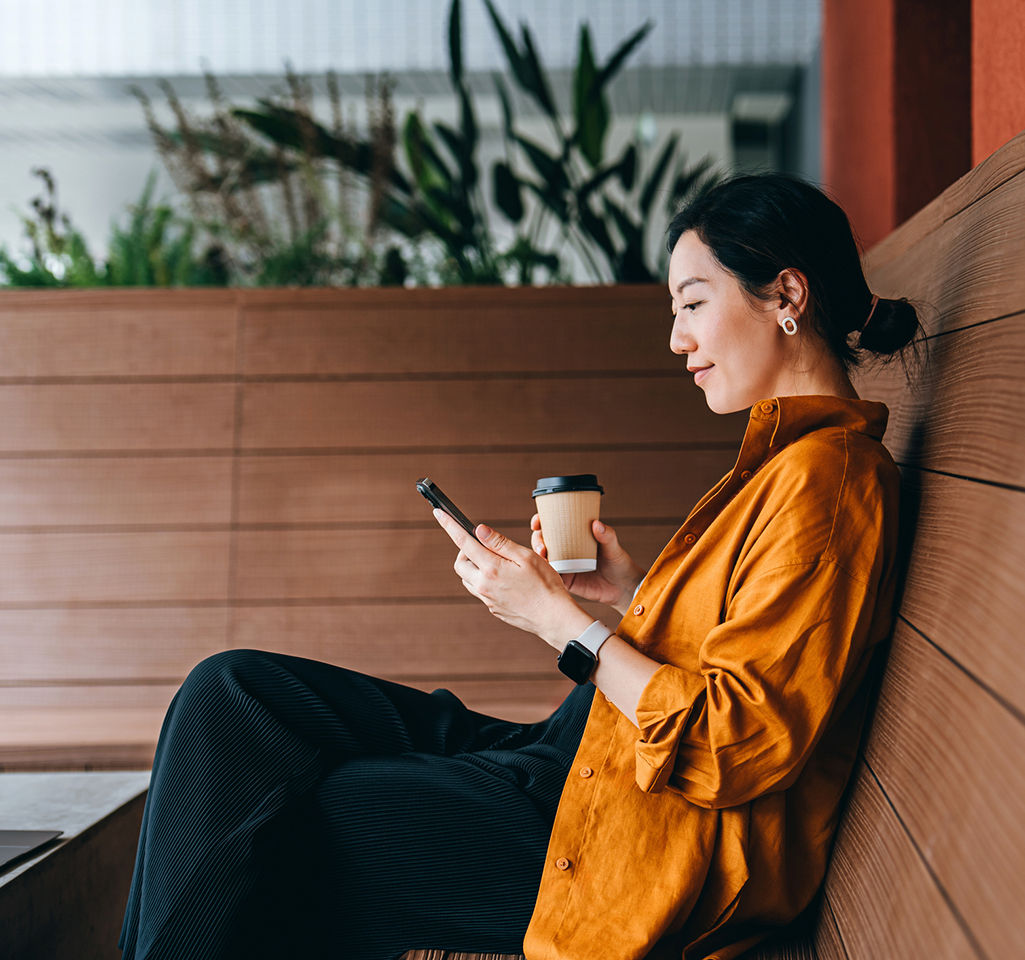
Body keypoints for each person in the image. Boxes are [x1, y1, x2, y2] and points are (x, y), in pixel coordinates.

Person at [118, 172, 923, 960]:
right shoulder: (784, 464)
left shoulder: (829, 479)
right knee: (234, 693)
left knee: (303, 812)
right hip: (576, 763)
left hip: (631, 840)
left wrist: (559, 623)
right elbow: (751, 646)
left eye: (691, 304)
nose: (677, 338)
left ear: (785, 296)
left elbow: (737, 743)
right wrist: (628, 598)